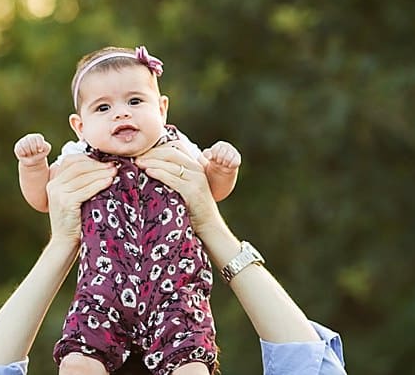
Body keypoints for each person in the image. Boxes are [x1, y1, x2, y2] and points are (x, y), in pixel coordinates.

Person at [0, 148, 347, 374]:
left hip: (170, 296)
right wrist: (64, 241)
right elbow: (309, 364)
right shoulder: (83, 153)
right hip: (109, 295)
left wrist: (208, 220)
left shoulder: (171, 144)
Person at [12, 46, 242, 375]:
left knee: (191, 366)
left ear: (161, 109)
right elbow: (42, 198)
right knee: (77, 363)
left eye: (135, 101)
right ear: (80, 126)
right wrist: (33, 165)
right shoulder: (80, 158)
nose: (121, 113)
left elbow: (212, 192)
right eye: (103, 107)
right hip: (102, 293)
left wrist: (222, 167)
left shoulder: (177, 148)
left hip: (174, 293)